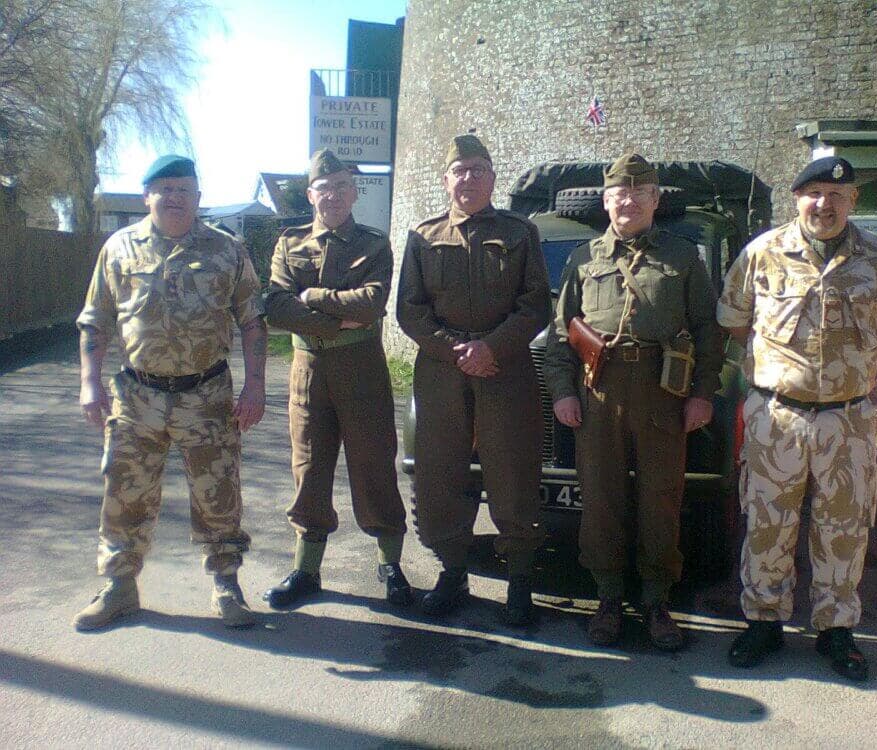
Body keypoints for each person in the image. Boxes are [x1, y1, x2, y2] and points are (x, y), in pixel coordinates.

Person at [717, 156, 877, 681]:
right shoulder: (763, 254)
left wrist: (848, 370)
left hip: (848, 419)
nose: (823, 204)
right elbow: (735, 321)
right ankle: (763, 622)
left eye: (836, 195)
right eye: (813, 193)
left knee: (845, 526)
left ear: (853, 202)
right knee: (766, 521)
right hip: (776, 416)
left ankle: (836, 629)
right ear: (796, 198)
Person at [73, 155, 267, 630]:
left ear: (198, 198)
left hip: (207, 396)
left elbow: (252, 320)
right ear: (147, 196)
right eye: (164, 188)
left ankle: (226, 584)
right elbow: (96, 318)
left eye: (184, 188)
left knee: (218, 494)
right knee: (124, 494)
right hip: (136, 397)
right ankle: (120, 587)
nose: (174, 196)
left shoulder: (227, 250)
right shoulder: (119, 248)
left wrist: (256, 384)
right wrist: (89, 381)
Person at [544, 152, 723, 651]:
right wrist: (562, 394)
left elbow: (709, 333)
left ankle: (657, 601)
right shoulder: (584, 260)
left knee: (660, 502)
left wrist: (702, 396)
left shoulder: (683, 257)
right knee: (600, 501)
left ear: (654, 200)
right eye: (619, 193)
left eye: (639, 193)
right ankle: (606, 598)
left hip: (662, 394)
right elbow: (561, 337)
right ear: (605, 201)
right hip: (599, 393)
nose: (628, 201)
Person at [396, 134, 550, 625]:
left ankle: (520, 580)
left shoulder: (521, 232)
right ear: (446, 180)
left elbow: (536, 306)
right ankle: (453, 570)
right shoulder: (423, 236)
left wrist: (491, 347)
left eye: (479, 169)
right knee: (440, 474)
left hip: (505, 368)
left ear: (493, 178)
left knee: (514, 472)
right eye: (460, 169)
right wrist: (455, 351)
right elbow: (410, 310)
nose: (469, 178)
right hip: (442, 372)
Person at [262, 149, 411, 608]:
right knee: (309, 467)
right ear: (311, 194)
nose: (333, 195)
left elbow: (370, 304)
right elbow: (276, 307)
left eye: (342, 186)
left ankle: (390, 563)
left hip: (361, 367)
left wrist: (312, 298)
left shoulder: (373, 243)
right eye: (324, 188)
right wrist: (333, 319)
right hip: (309, 372)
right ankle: (306, 570)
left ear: (353, 193)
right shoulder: (289, 242)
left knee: (374, 466)